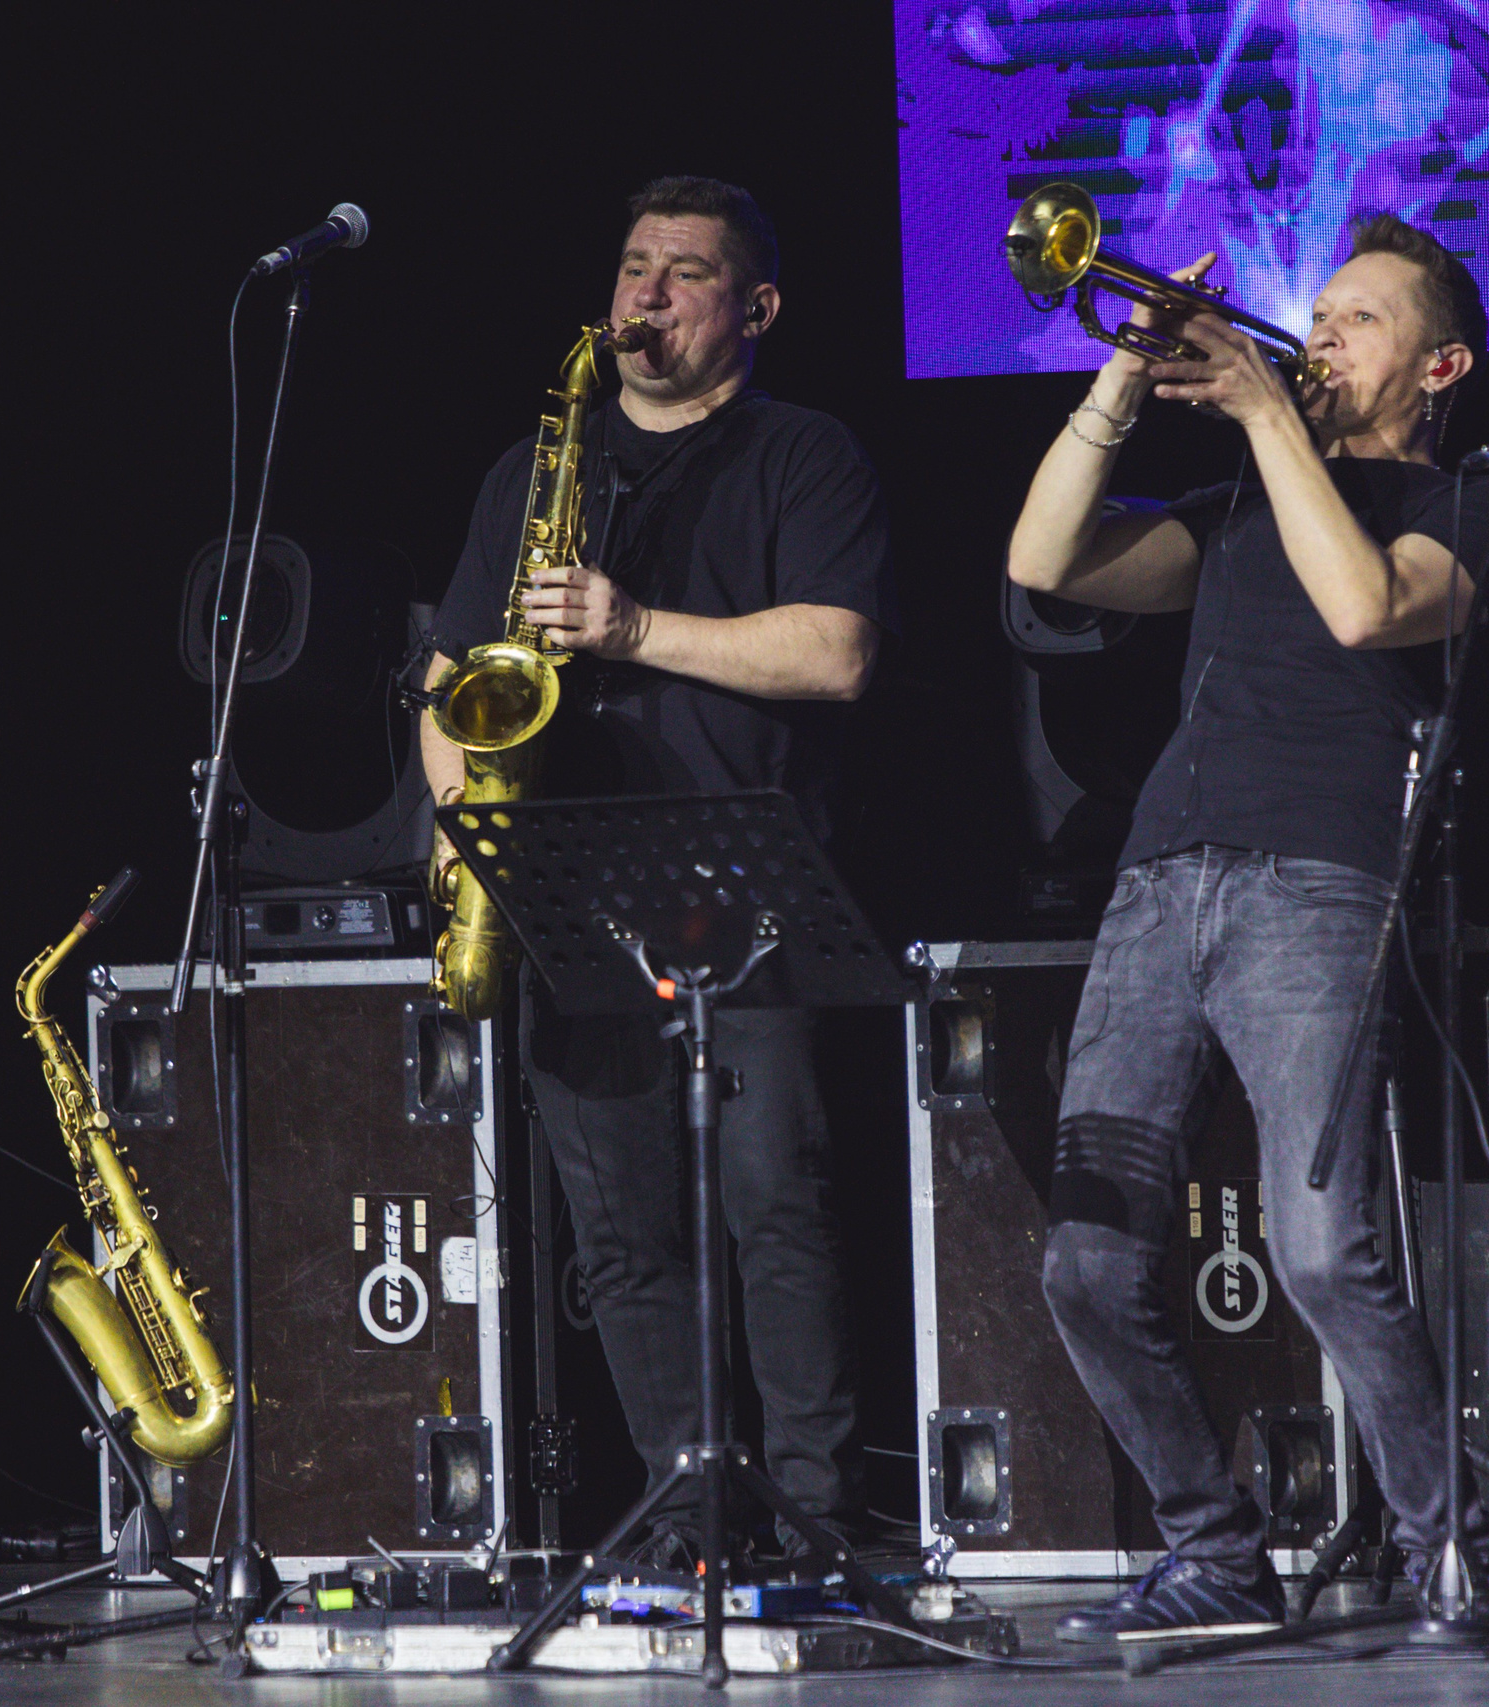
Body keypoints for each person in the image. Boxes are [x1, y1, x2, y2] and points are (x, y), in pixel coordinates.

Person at [1005, 212, 1489, 1641]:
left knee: (1320, 1255)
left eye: (1360, 319)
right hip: (1159, 886)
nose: (1323, 334)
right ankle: (1213, 1551)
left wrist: (1257, 416)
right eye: (1322, 311)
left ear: (1442, 364)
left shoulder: (1463, 509)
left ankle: (1449, 1553)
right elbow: (1046, 561)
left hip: (1315, 889)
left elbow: (1363, 609)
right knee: (1085, 1260)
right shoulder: (1237, 513)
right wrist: (1123, 374)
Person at [419, 176, 890, 1562]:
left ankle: (808, 1523)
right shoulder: (535, 473)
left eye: (687, 272)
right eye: (635, 266)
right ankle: (686, 1513)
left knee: (777, 1216)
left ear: (755, 310)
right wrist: (465, 830)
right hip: (569, 888)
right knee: (618, 1242)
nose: (648, 294)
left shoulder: (807, 453)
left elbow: (838, 654)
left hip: (749, 895)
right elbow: (453, 679)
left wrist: (632, 628)